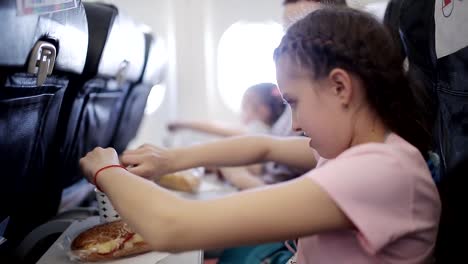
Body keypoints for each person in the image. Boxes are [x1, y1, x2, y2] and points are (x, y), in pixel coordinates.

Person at [80, 7, 440, 263]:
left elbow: (173, 227)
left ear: (340, 87)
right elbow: (263, 145)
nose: (295, 123)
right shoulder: (362, 152)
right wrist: (169, 160)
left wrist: (105, 172)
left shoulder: (378, 171)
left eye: (295, 102)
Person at [168, 83, 285, 137]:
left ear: (263, 111)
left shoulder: (259, 130)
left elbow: (219, 129)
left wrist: (184, 124)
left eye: (245, 107)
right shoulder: (265, 130)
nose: (242, 113)